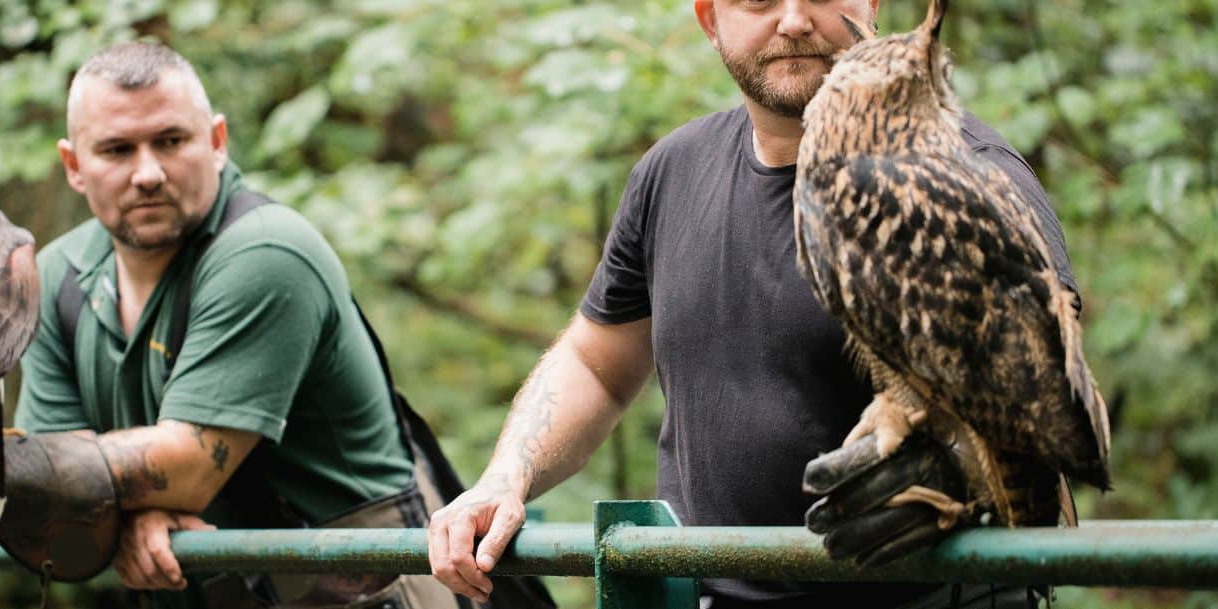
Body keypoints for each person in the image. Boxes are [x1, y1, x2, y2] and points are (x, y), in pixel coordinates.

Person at [426, 2, 1077, 608]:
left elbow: (1049, 407)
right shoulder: (672, 173)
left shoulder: (965, 174)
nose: (794, 21)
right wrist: (504, 477)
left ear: (872, 3)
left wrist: (964, 466)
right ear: (711, 17)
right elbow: (596, 362)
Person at [13, 41, 458, 608]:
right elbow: (48, 490)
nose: (147, 173)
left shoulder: (265, 252)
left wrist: (93, 500)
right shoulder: (56, 277)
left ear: (217, 142)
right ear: (74, 166)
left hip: (364, 592)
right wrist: (126, 518)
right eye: (117, 150)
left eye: (171, 141)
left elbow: (186, 467)